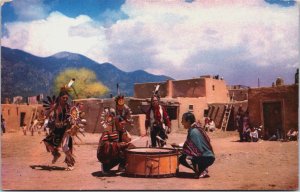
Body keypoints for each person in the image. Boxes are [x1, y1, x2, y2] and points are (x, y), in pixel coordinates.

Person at [42, 82, 84, 171]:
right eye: (63, 98)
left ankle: (71, 163)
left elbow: (74, 117)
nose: (65, 99)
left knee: (65, 147)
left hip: (65, 129)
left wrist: (73, 126)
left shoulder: (68, 107)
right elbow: (47, 114)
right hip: (57, 129)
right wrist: (50, 110)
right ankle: (56, 154)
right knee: (47, 142)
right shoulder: (56, 106)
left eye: (66, 98)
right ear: (60, 98)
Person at [177, 112, 215, 179]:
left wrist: (183, 150)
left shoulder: (194, 131)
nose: (181, 122)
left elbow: (197, 150)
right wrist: (180, 146)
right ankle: (201, 168)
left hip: (206, 157)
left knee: (182, 158)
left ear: (188, 121)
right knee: (185, 154)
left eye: (183, 120)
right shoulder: (195, 128)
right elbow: (191, 144)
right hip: (208, 156)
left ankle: (201, 170)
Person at [97, 107, 135, 175]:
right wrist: (118, 145)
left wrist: (127, 142)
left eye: (124, 124)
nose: (123, 126)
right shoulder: (108, 130)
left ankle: (122, 166)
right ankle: (105, 166)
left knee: (130, 148)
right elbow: (103, 146)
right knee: (112, 148)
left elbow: (126, 142)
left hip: (116, 152)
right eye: (121, 124)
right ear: (117, 122)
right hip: (106, 154)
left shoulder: (123, 131)